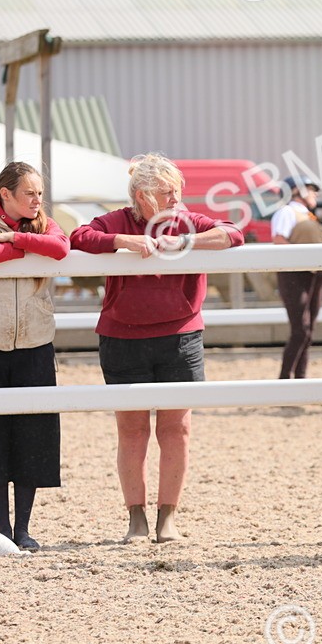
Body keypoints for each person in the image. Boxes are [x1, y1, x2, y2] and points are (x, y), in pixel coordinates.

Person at [69, 153, 244, 543]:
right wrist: (122, 241)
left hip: (180, 337)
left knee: (176, 429)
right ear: (142, 196)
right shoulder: (117, 220)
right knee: (131, 431)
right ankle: (136, 518)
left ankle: (168, 518)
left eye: (177, 191)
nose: (174, 199)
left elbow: (232, 232)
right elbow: (79, 237)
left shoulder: (185, 220)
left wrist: (185, 241)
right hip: (122, 337)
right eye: (166, 193)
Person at [0, 162, 69, 552]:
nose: (38, 200)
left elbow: (60, 248)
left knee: (33, 436)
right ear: (5, 194)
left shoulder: (43, 223)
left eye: (40, 193)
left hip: (35, 342)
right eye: (30, 193)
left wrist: (12, 239)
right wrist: (21, 243)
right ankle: (2, 527)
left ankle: (22, 528)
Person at [272, 176, 322, 380]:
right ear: (296, 192)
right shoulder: (287, 212)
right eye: (310, 189)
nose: (314, 193)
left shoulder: (308, 216)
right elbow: (279, 240)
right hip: (295, 275)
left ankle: (300, 378)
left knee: (308, 331)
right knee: (301, 330)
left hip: (315, 276)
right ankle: (286, 378)